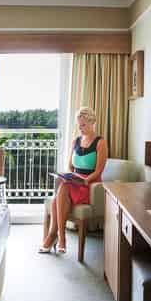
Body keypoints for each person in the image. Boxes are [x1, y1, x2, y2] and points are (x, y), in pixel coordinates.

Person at [40, 107, 108, 254]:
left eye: (83, 125)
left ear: (92, 122)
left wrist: (85, 180)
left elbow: (98, 171)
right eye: (79, 125)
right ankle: (59, 238)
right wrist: (70, 176)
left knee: (58, 196)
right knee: (63, 187)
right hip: (75, 182)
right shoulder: (76, 141)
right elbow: (70, 166)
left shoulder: (100, 142)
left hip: (90, 185)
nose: (80, 128)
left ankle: (56, 236)